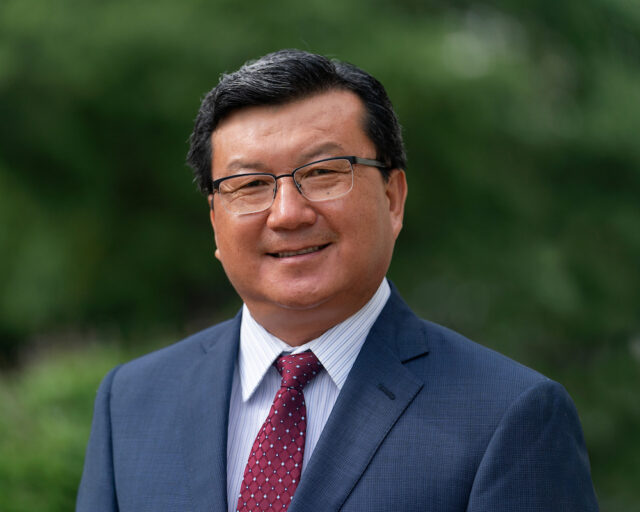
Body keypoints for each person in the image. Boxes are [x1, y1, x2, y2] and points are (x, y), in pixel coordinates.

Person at [76, 49, 598, 511]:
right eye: (250, 184)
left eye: (323, 173)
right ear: (215, 219)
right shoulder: (132, 402)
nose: (287, 213)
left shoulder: (510, 416)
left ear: (393, 198)